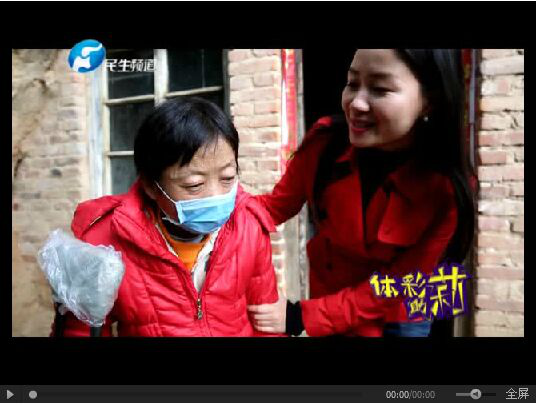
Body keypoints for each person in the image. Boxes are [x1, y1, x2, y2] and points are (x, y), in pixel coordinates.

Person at [248, 49, 476, 337]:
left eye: (380, 89)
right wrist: (217, 204)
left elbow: (395, 285)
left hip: (407, 306)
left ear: (429, 100)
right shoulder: (324, 144)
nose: (356, 103)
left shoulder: (445, 191)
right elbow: (273, 207)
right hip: (334, 299)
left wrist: (299, 317)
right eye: (352, 83)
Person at [51, 97, 282, 337]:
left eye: (227, 178)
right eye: (194, 185)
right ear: (152, 186)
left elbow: (268, 323)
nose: (216, 195)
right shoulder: (103, 244)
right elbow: (82, 331)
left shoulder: (249, 225)